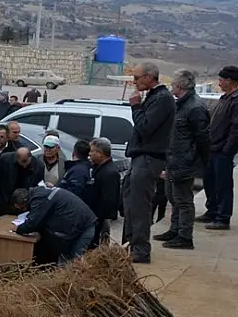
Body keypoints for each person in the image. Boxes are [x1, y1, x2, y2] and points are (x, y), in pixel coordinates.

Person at [123, 62, 175, 264]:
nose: (135, 83)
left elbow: (145, 127)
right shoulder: (156, 97)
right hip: (141, 158)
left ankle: (140, 250)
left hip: (148, 158)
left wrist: (136, 105)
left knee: (139, 206)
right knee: (129, 203)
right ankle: (131, 244)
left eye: (137, 78)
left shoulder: (162, 99)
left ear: (149, 77)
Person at [153, 70, 210, 250]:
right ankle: (175, 229)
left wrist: (197, 160)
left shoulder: (195, 108)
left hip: (184, 161)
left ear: (181, 86)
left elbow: (202, 138)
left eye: (174, 85)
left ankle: (185, 236)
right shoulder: (182, 105)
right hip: (174, 159)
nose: (172, 88)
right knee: (173, 197)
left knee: (184, 200)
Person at [198, 66, 238, 231]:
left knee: (223, 185)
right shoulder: (224, 99)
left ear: (229, 81)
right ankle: (212, 210)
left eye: (221, 80)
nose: (219, 83)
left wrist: (227, 151)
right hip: (212, 149)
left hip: (222, 151)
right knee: (210, 182)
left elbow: (237, 130)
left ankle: (223, 217)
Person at [12, 186, 98, 263]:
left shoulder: (39, 199)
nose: (24, 210)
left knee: (75, 260)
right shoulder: (40, 193)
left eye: (23, 208)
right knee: (65, 258)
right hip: (77, 224)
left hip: (82, 227)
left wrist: (19, 229)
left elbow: (32, 223)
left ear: (25, 201)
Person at [87, 138, 122, 248]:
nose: (90, 154)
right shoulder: (98, 168)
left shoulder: (109, 173)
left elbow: (109, 200)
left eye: (92, 151)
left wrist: (99, 218)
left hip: (100, 218)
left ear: (100, 153)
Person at [0, 147, 45, 215]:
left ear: (30, 157)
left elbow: (38, 186)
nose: (24, 165)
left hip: (25, 203)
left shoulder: (38, 166)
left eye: (26, 161)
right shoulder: (5, 159)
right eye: (22, 162)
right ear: (16, 158)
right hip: (5, 200)